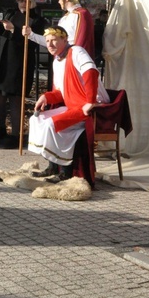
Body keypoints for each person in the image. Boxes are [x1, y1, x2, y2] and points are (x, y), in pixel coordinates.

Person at [26, 26, 110, 186]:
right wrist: (46, 97)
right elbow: (61, 92)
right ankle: (52, 167)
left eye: (54, 40)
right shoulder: (57, 61)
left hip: (91, 108)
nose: (50, 45)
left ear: (65, 40)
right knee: (37, 119)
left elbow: (91, 72)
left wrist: (90, 101)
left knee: (52, 125)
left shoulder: (77, 51)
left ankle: (65, 173)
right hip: (73, 105)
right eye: (47, 41)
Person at [0, 0, 48, 148]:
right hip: (0, 61)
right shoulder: (9, 13)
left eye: (27, 1)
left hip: (19, 64)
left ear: (33, 3)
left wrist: (14, 30)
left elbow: (34, 42)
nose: (23, 4)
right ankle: (1, 129)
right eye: (21, 1)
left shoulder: (37, 20)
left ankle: (16, 135)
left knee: (16, 99)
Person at [26, 0, 95, 58]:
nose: (59, 2)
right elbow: (52, 41)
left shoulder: (81, 14)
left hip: (72, 60)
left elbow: (82, 42)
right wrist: (31, 35)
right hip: (61, 59)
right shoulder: (64, 18)